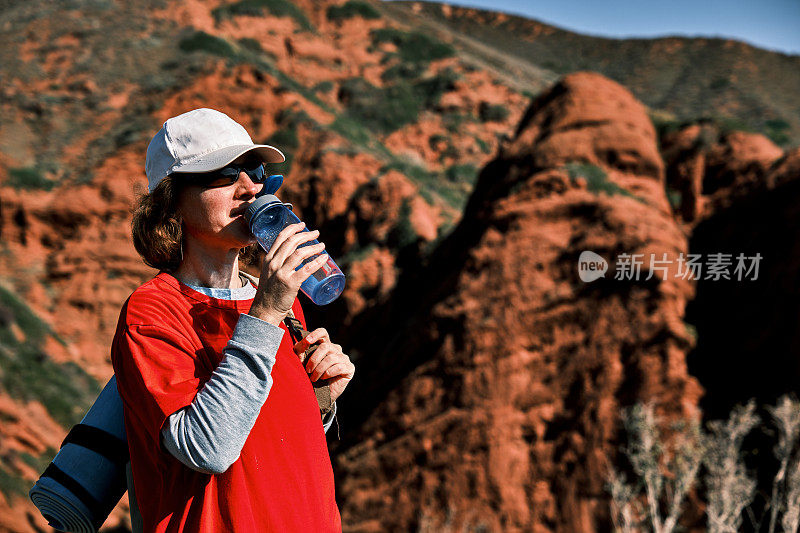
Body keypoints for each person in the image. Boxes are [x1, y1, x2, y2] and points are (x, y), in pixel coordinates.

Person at [111, 108, 354, 532]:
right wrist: (265, 314)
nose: (250, 187)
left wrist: (322, 399)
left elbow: (267, 438)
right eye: (224, 174)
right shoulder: (152, 311)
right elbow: (207, 448)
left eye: (253, 170)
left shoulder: (275, 300)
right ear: (171, 201)